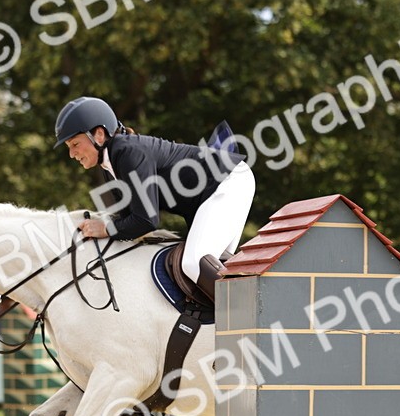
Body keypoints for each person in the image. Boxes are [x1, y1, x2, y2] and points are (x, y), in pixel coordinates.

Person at [53, 96, 255, 303]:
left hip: (228, 181)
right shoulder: (110, 164)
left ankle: (255, 316)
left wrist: (105, 229)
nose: (71, 154)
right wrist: (106, 230)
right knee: (213, 268)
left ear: (99, 134)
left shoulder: (128, 152)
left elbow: (146, 220)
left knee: (194, 263)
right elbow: (129, 220)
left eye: (75, 143)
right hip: (218, 188)